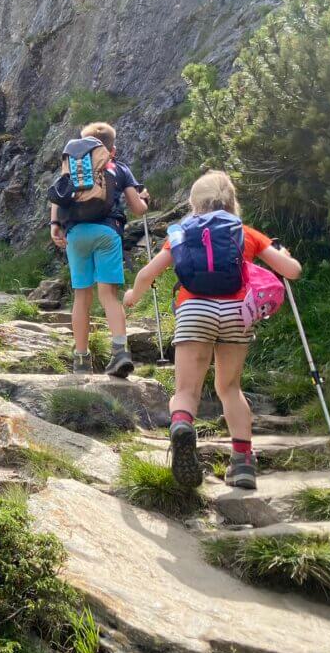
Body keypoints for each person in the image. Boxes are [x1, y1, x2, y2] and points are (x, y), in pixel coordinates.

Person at [124, 171, 301, 490]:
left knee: (186, 391)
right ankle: (244, 463)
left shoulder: (181, 231)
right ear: (232, 201)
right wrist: (285, 256)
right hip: (236, 313)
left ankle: (181, 427)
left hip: (195, 310)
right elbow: (292, 271)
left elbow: (147, 274)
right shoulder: (244, 232)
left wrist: (131, 297)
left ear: (194, 203)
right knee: (230, 388)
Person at [50, 122, 149, 377]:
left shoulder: (72, 166)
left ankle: (81, 360)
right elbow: (138, 209)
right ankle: (119, 352)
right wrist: (145, 200)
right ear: (111, 150)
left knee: (82, 297)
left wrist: (55, 225)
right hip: (107, 232)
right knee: (109, 296)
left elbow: (58, 195)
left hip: (76, 234)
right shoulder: (119, 168)